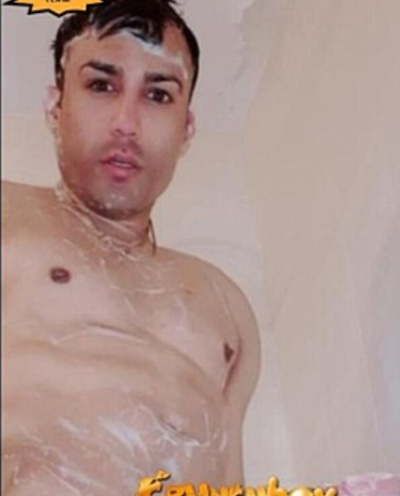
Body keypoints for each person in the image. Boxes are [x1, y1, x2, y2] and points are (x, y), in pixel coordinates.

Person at [1, 1, 261, 494]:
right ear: (56, 108)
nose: (126, 122)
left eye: (158, 95)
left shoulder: (226, 307)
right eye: (102, 85)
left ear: (186, 130)